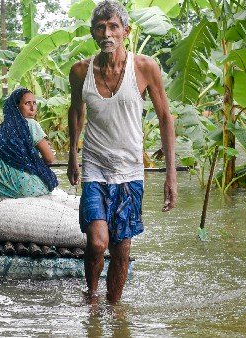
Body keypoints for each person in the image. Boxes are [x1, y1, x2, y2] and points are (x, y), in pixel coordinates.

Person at [66, 0, 177, 304]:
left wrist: (171, 176)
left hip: (129, 170)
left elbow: (166, 118)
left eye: (114, 26)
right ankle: (91, 296)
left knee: (122, 250)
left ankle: (113, 308)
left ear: (126, 31)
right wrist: (74, 155)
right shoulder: (80, 71)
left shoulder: (145, 68)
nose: (107, 32)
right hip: (94, 168)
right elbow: (75, 112)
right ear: (92, 33)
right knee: (98, 242)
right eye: (101, 27)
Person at [0, 87, 57, 198]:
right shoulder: (31, 124)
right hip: (24, 190)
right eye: (27, 103)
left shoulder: (1, 128)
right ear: (16, 106)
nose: (33, 108)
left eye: (34, 103)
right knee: (48, 182)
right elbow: (50, 159)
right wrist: (35, 163)